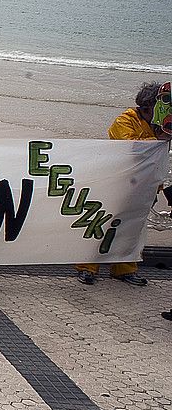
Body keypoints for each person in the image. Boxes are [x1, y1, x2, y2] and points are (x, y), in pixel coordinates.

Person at [75, 81, 172, 286]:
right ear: (148, 106)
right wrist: (158, 139)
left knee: (133, 228)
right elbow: (131, 147)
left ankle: (125, 269)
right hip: (118, 183)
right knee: (102, 224)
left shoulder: (161, 126)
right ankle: (87, 267)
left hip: (146, 186)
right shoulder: (125, 120)